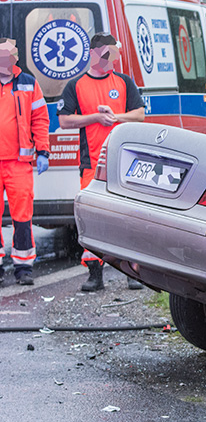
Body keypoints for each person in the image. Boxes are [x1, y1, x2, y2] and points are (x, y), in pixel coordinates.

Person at [57, 32, 145, 292]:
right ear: (95, 55)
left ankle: (133, 271)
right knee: (93, 220)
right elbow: (64, 121)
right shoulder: (76, 85)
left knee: (127, 216)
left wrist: (115, 117)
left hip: (123, 163)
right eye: (108, 54)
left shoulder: (124, 82)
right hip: (91, 163)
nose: (113, 59)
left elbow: (139, 115)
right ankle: (95, 274)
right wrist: (95, 117)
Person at [0, 38, 50, 286]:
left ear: (15, 58)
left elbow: (40, 119)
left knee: (22, 216)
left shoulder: (29, 83)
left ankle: (23, 267)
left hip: (19, 162)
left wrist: (43, 151)